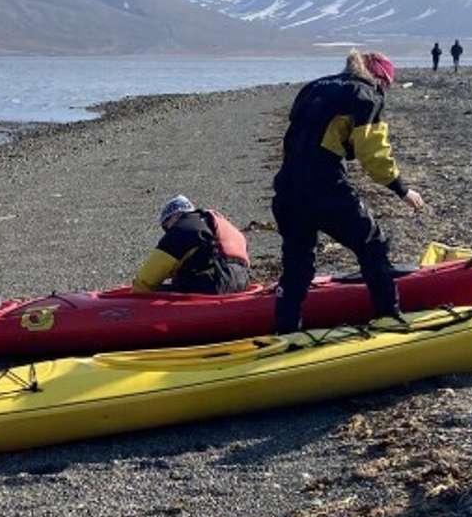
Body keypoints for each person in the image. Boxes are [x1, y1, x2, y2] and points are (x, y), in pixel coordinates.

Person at [271, 51, 426, 332]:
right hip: (324, 187)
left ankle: (286, 330)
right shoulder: (366, 95)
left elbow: (295, 138)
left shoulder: (314, 87)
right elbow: (373, 155)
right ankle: (388, 317)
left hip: (287, 186)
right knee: (373, 244)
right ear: (380, 79)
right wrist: (402, 190)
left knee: (297, 261)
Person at [132, 196, 251, 295]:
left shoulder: (183, 229)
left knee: (158, 291)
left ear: (176, 215)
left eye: (166, 225)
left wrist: (136, 297)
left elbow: (147, 278)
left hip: (214, 285)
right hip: (242, 281)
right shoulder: (211, 223)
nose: (167, 230)